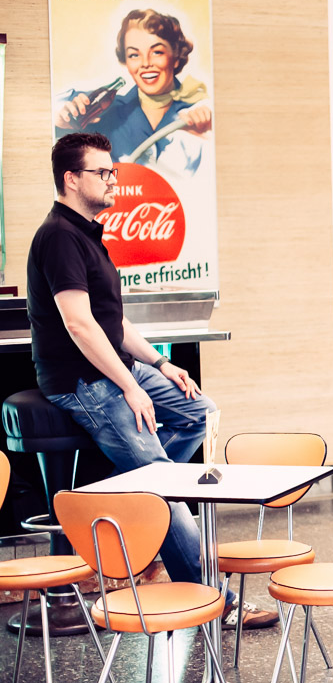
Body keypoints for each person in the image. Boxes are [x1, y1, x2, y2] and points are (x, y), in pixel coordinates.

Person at [26, 132, 275, 630]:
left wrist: (159, 366)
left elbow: (113, 324)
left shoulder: (89, 233)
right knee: (164, 483)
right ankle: (216, 601)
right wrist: (129, 384)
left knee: (197, 411)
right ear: (71, 179)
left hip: (114, 369)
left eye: (112, 171)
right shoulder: (58, 236)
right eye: (102, 172)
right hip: (82, 381)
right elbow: (79, 325)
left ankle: (132, 496)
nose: (112, 179)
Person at [54, 8, 212, 175]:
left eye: (157, 52)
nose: (145, 63)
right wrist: (62, 121)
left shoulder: (201, 110)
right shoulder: (105, 110)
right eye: (134, 55)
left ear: (176, 56)